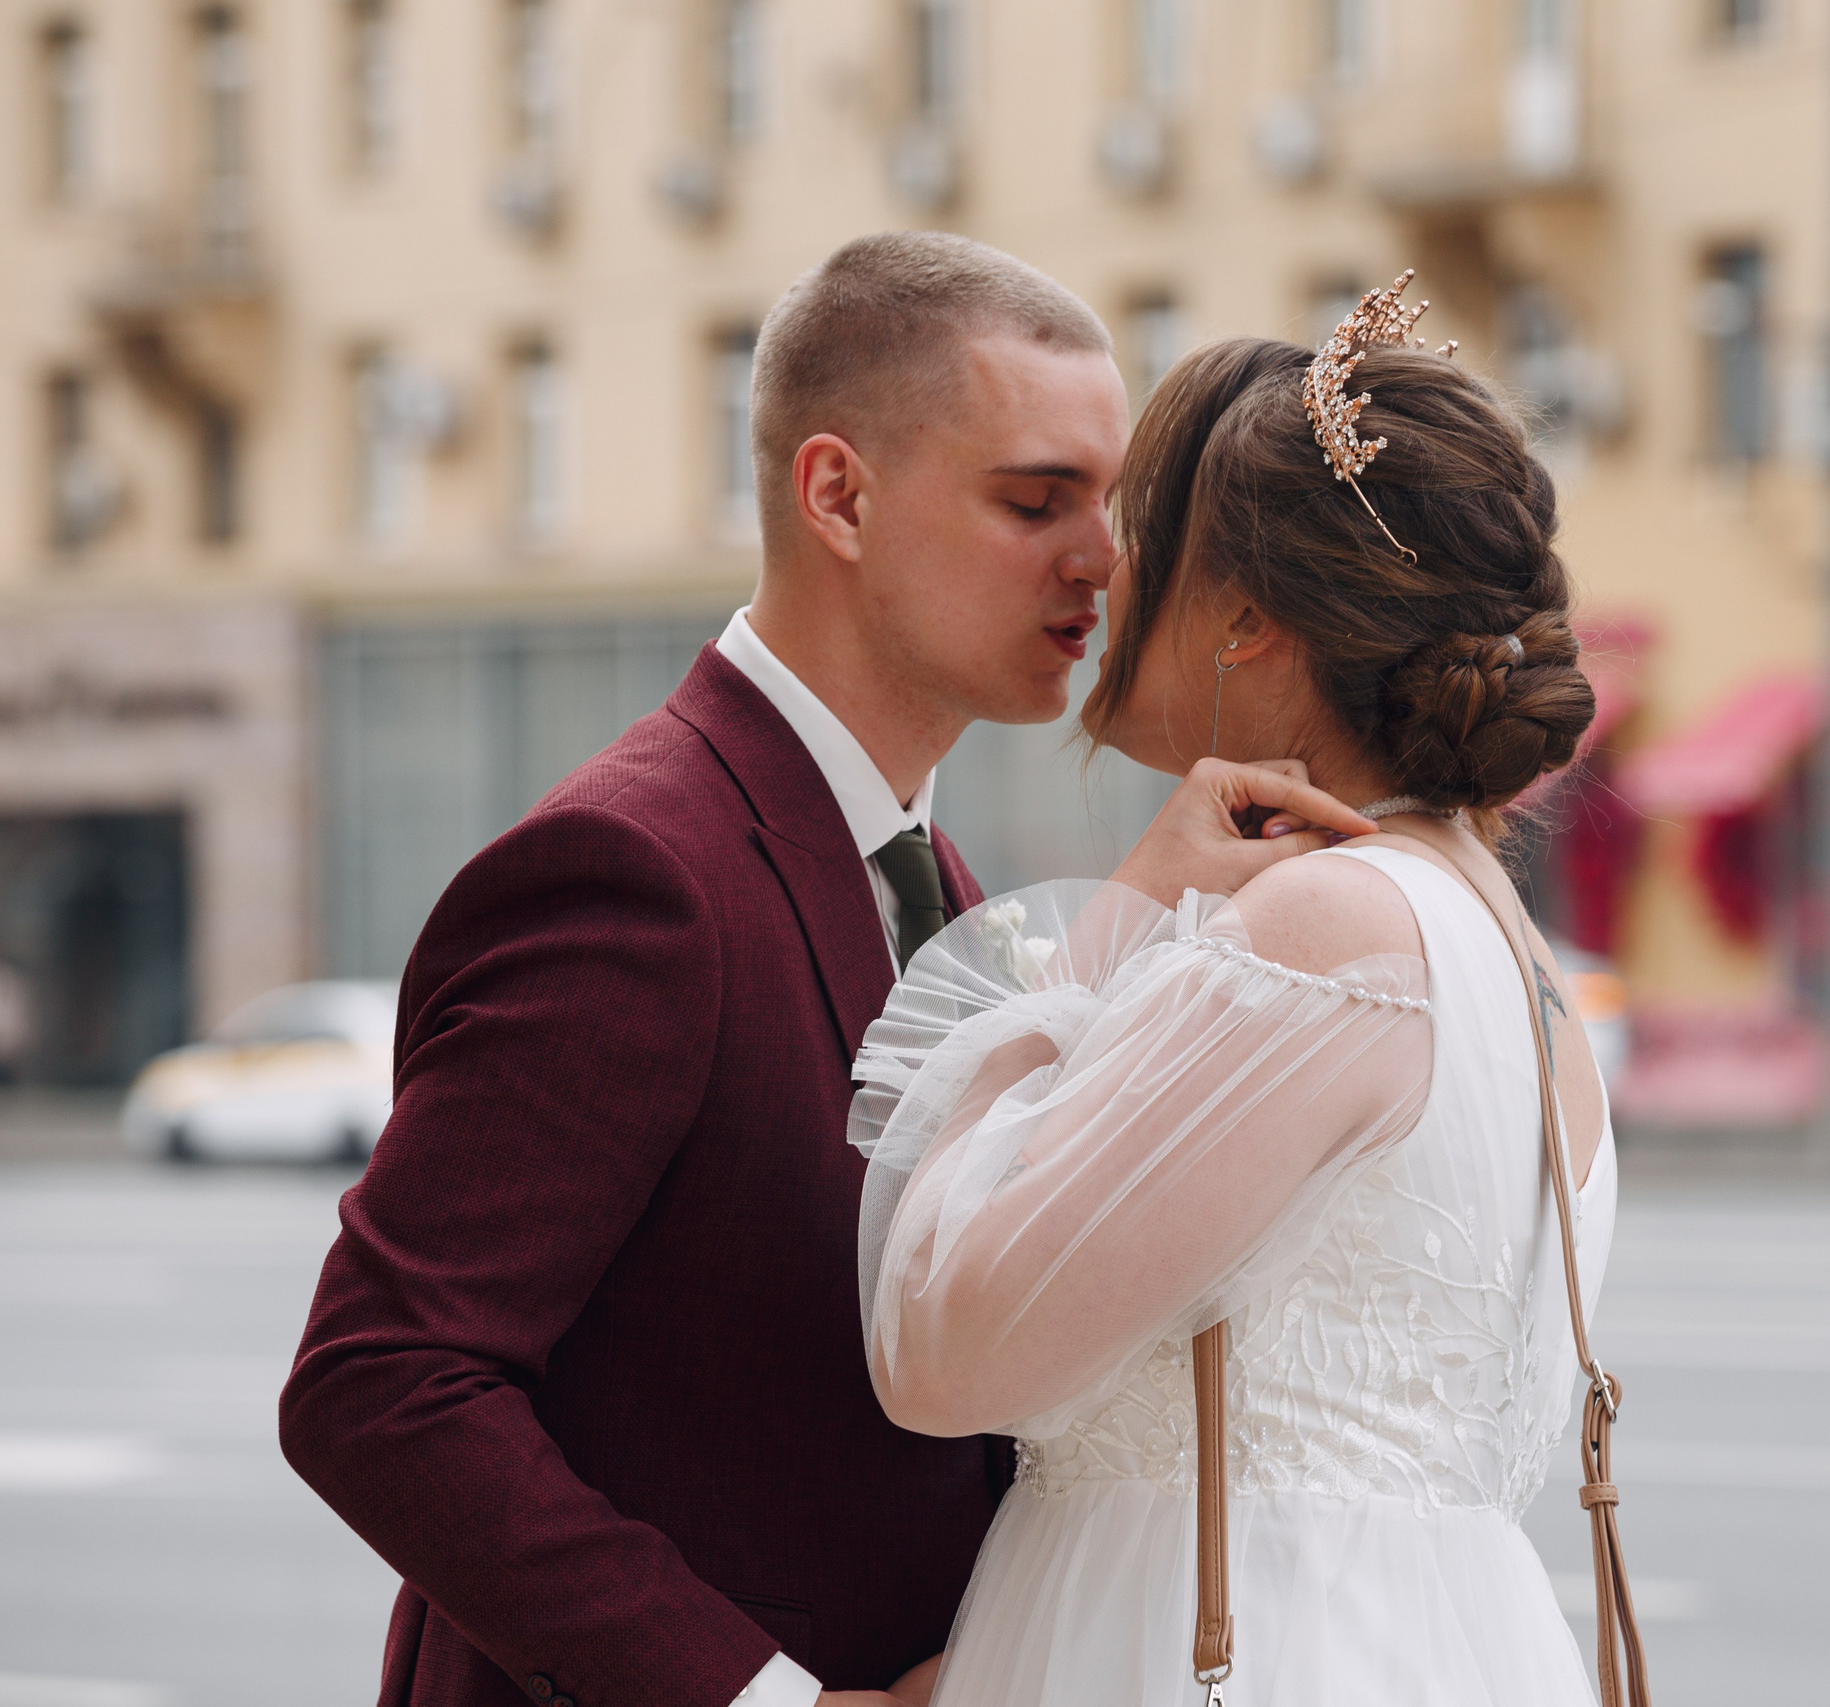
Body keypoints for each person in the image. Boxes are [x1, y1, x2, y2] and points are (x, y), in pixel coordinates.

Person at [279, 233, 1373, 1707]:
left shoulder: (947, 881)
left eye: (1105, 504)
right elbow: (379, 1385)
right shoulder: (632, 874)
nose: (1102, 560)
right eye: (1034, 499)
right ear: (839, 496)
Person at [848, 288, 1617, 1704]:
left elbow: (944, 1344)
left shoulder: (1326, 927)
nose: (1099, 574)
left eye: (1140, 539)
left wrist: (1122, 914)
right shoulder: (1509, 948)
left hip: (1219, 1647)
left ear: (1249, 622)